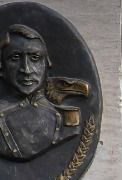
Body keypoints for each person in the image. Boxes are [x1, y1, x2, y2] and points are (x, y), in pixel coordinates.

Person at [0, 24, 87, 162]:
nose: (26, 70)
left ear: (47, 64)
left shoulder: (68, 121)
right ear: (2, 68)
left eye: (35, 58)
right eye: (15, 58)